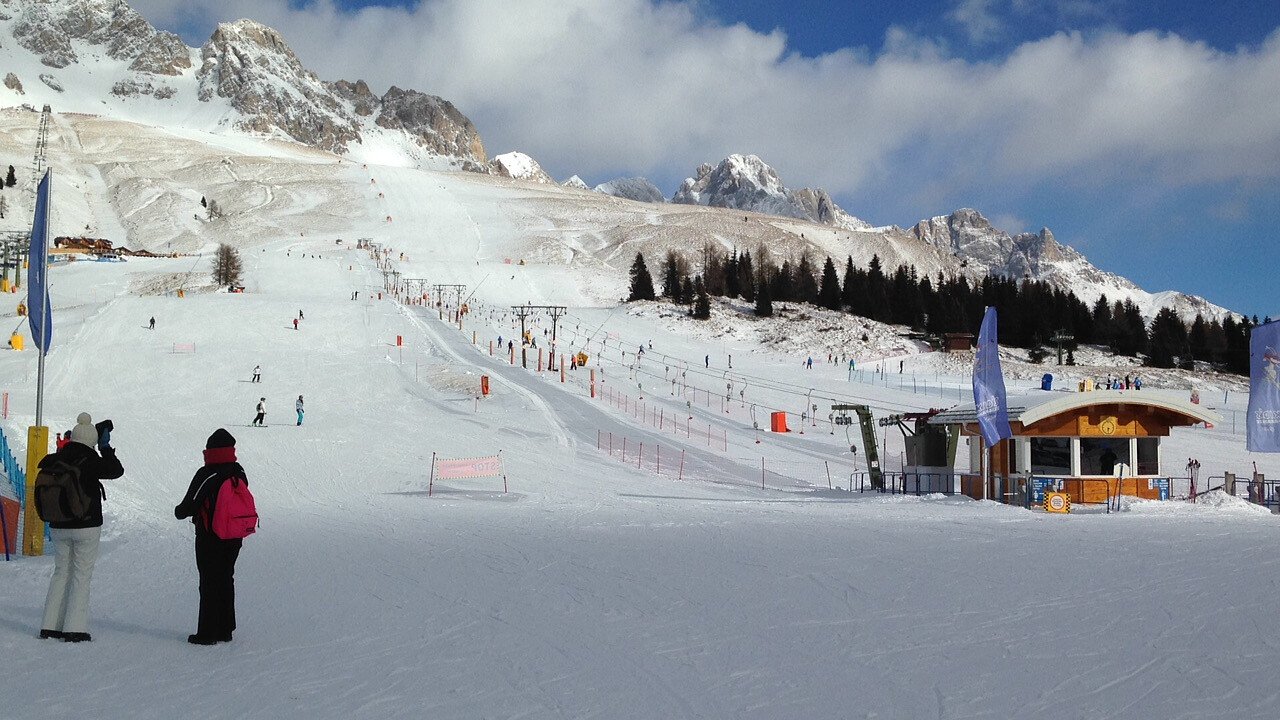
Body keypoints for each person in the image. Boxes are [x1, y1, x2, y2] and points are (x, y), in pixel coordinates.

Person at [39, 413, 124, 642]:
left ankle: (49, 625)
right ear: (92, 441)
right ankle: (74, 628)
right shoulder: (91, 460)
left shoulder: (56, 459)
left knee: (61, 572)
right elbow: (116, 470)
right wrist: (105, 447)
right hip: (86, 525)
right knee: (81, 574)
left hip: (58, 524)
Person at [174, 429, 247, 645]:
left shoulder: (208, 473)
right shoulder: (238, 470)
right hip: (234, 534)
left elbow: (188, 506)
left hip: (210, 535)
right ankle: (226, 629)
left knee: (209, 581)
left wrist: (179, 511)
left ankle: (207, 633)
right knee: (226, 577)